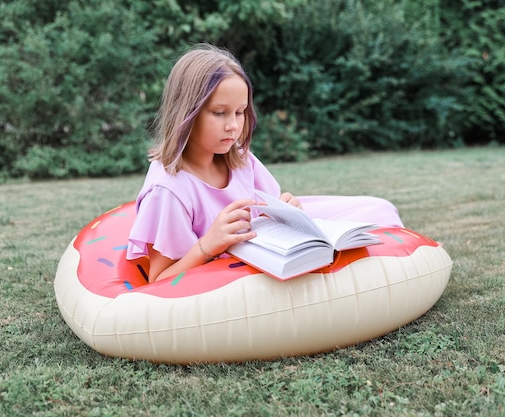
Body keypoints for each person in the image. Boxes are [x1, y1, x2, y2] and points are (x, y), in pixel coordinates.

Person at [127, 44, 403, 283]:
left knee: (380, 210)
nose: (233, 126)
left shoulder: (240, 159)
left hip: (267, 249)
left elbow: (269, 212)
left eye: (240, 112)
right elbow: (159, 280)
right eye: (220, 113)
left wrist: (287, 211)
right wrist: (209, 244)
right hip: (226, 269)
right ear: (187, 113)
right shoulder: (169, 190)